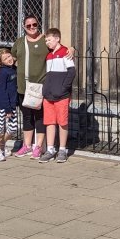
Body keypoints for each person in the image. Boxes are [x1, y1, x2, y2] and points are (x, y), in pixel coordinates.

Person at [11, 14, 48, 158]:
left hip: (39, 86)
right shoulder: (20, 42)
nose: (32, 27)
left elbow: (59, 48)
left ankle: (38, 147)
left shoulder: (45, 40)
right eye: (28, 25)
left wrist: (71, 49)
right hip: (23, 86)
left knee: (39, 117)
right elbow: (11, 58)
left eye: (34, 24)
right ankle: (26, 146)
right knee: (26, 116)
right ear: (24, 27)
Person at [39, 27, 75, 163]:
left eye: (49, 40)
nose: (47, 42)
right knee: (49, 122)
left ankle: (62, 150)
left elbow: (71, 72)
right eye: (46, 40)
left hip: (61, 95)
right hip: (48, 95)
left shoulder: (65, 52)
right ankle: (50, 149)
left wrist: (63, 88)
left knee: (62, 122)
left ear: (57, 39)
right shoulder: (49, 55)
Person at [0, 49, 18, 162]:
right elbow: (3, 90)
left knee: (13, 128)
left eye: (9, 56)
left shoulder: (13, 69)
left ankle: (2, 144)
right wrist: (7, 109)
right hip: (2, 103)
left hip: (12, 103)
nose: (8, 59)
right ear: (1, 62)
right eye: (5, 59)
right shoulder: (3, 72)